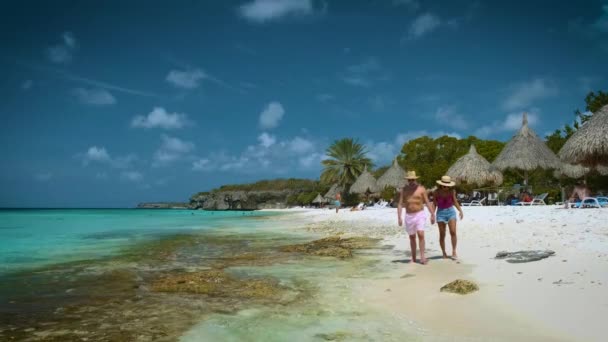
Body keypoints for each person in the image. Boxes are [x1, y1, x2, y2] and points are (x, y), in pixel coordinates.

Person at [397, 171, 435, 265]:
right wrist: (399, 217)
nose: (411, 181)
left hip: (420, 214)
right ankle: (413, 257)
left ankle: (422, 257)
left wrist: (432, 214)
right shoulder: (404, 190)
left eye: (412, 180)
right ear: (407, 180)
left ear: (415, 179)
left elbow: (427, 201)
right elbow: (400, 204)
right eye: (409, 180)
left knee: (421, 234)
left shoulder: (421, 189)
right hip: (409, 215)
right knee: (412, 237)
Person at [433, 175, 464, 260]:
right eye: (444, 185)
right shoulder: (436, 192)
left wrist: (460, 211)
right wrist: (432, 214)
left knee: (453, 232)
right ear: (441, 185)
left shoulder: (452, 192)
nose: (446, 187)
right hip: (440, 213)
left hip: (451, 212)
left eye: (447, 185)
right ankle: (444, 252)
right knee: (442, 235)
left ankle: (454, 251)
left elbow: (455, 201)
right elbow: (434, 204)